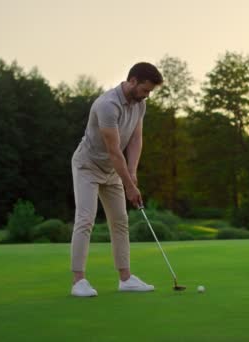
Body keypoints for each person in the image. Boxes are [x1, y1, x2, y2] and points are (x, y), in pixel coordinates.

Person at [69, 62, 163, 297]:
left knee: (120, 221)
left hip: (113, 170)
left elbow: (135, 139)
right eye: (145, 90)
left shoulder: (140, 105)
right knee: (85, 219)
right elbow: (113, 150)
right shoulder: (107, 105)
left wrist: (132, 173)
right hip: (87, 166)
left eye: (150, 92)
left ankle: (125, 278)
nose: (146, 96)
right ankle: (78, 281)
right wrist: (130, 186)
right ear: (132, 81)